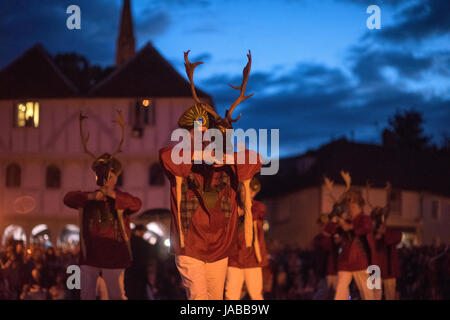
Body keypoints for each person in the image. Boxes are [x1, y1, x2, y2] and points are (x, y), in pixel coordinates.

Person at [159, 50, 262, 300]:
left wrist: (225, 156)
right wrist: (203, 156)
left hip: (219, 248)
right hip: (189, 246)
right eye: (195, 132)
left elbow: (255, 161)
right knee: (199, 299)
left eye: (205, 132)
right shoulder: (180, 156)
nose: (201, 137)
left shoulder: (229, 160)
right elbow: (168, 157)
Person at [63, 110, 142, 300]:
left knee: (116, 296)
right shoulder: (88, 198)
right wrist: (92, 197)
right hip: (90, 256)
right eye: (104, 176)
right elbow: (68, 198)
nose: (107, 180)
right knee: (87, 296)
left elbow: (136, 204)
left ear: (115, 178)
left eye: (111, 177)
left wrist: (112, 196)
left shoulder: (121, 196)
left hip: (115, 258)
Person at [225, 177, 268, 300]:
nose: (250, 194)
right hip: (234, 257)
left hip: (252, 258)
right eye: (247, 190)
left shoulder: (258, 207)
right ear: (241, 190)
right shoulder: (232, 206)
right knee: (231, 295)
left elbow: (252, 214)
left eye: (252, 192)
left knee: (256, 294)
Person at [333, 189, 375, 300]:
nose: (350, 210)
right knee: (340, 291)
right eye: (350, 207)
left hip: (359, 261)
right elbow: (333, 231)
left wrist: (348, 227)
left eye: (353, 207)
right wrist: (337, 222)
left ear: (360, 208)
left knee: (367, 293)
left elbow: (366, 228)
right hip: (344, 262)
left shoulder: (364, 218)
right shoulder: (346, 220)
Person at [125, 224, 156, 300]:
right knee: (140, 290)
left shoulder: (129, 241)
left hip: (130, 269)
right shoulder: (144, 243)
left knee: (130, 289)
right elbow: (150, 255)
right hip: (140, 269)